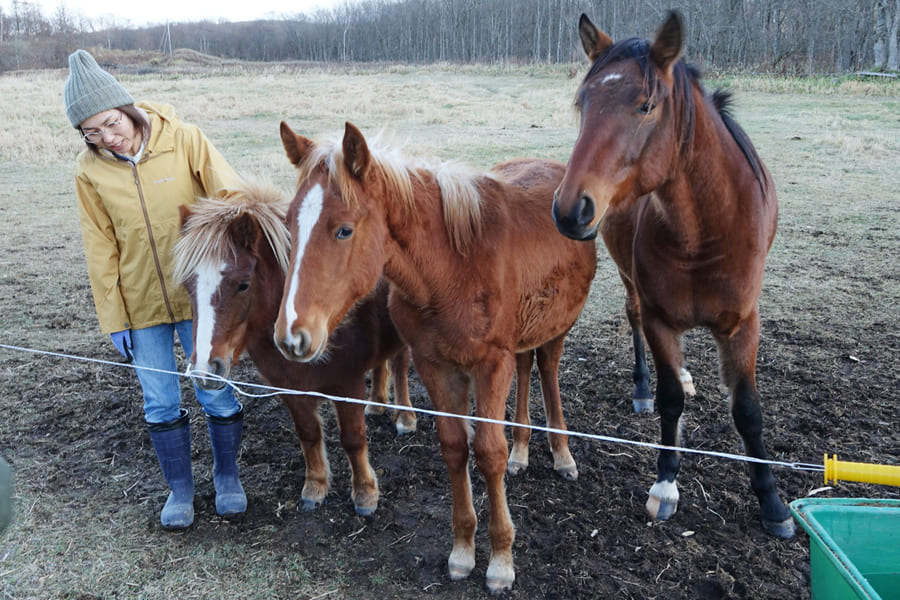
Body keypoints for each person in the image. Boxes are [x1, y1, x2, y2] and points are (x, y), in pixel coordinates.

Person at [63, 49, 246, 529]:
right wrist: (113, 319)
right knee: (160, 400)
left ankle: (228, 478)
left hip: (199, 300)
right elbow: (99, 248)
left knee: (214, 390)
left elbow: (230, 197)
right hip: (139, 305)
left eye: (110, 123)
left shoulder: (185, 140)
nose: (107, 137)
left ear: (127, 109)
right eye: (92, 132)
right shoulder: (90, 171)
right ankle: (180, 491)